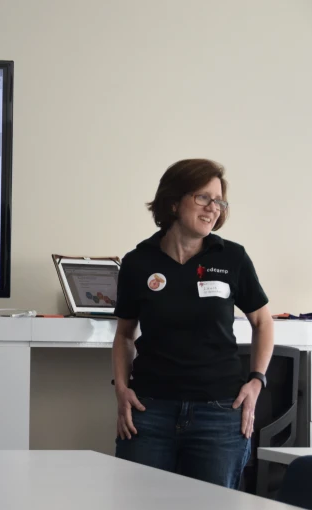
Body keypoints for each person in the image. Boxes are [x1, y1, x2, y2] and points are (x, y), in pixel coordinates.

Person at [112, 158, 274, 490]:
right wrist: (121, 389)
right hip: (150, 410)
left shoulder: (232, 258)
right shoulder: (138, 262)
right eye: (203, 198)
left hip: (219, 413)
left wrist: (256, 381)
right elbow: (125, 334)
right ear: (173, 201)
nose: (213, 208)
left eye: (219, 201)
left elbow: (263, 322)